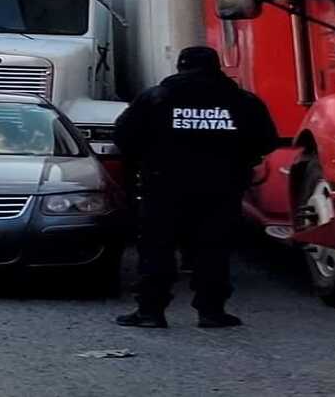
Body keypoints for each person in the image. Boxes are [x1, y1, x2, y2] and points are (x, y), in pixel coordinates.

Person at [114, 46, 278, 329]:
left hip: (163, 186)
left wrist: (147, 160)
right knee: (213, 248)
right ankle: (211, 312)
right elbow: (266, 141)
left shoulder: (156, 98)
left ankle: (150, 311)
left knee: (156, 249)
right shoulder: (242, 102)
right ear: (217, 67)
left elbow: (124, 136)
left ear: (180, 67)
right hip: (221, 188)